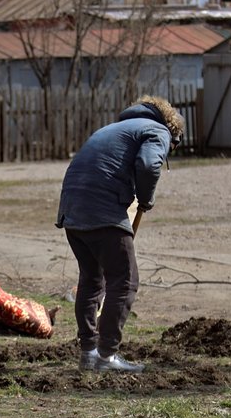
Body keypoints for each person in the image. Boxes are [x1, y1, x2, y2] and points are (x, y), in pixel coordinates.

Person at [56, 95, 184, 373]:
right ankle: (107, 356)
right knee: (125, 280)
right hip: (103, 210)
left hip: (71, 210)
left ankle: (88, 353)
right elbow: (149, 165)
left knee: (91, 280)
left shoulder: (112, 128)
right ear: (172, 130)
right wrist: (146, 199)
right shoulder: (157, 130)